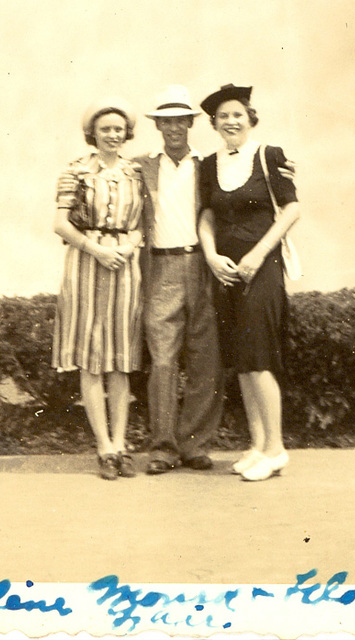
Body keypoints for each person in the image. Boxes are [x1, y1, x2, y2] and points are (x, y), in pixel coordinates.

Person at [198, 84, 300, 481]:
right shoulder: (209, 164)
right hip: (226, 272)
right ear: (214, 123)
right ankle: (257, 446)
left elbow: (292, 209)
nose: (230, 121)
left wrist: (258, 254)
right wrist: (210, 254)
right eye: (223, 116)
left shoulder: (269, 155)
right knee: (241, 360)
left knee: (259, 356)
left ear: (250, 117)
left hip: (263, 267)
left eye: (237, 114)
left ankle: (276, 449)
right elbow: (207, 215)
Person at [52, 97, 143, 481]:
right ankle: (103, 447)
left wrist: (125, 247)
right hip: (86, 263)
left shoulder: (136, 174)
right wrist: (97, 250)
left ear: (126, 134)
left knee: (120, 359)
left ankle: (121, 445)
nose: (112, 135)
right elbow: (60, 224)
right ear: (93, 133)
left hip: (124, 265)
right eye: (104, 129)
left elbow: (143, 224)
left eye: (118, 129)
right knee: (91, 356)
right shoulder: (76, 171)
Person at [135, 85, 223, 474]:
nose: (173, 127)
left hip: (202, 265)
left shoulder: (210, 165)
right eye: (165, 121)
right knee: (164, 359)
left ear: (190, 123)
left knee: (207, 359)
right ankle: (163, 448)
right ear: (158, 126)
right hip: (161, 268)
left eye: (179, 120)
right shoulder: (140, 166)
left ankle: (195, 445)